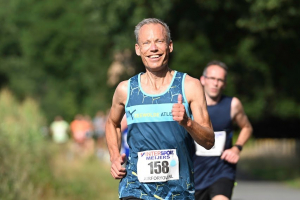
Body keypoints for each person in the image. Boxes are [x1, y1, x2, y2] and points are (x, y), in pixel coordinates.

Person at [105, 18, 214, 200]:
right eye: (146, 43)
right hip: (135, 188)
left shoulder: (189, 86)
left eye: (159, 41)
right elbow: (112, 123)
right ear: (138, 49)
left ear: (169, 46)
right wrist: (115, 156)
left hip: (178, 190)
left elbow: (209, 141)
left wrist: (187, 122)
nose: (153, 48)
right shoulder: (126, 90)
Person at [193, 61, 253, 200]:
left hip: (222, 170)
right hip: (195, 173)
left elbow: (247, 127)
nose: (215, 83)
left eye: (220, 80)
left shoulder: (233, 104)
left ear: (224, 84)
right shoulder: (191, 106)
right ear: (203, 80)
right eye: (212, 78)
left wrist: (236, 148)